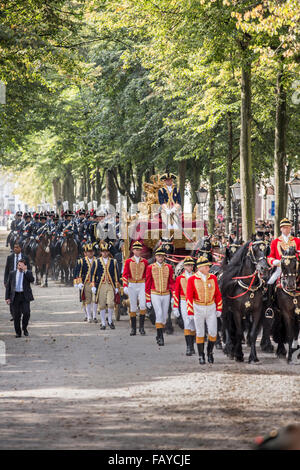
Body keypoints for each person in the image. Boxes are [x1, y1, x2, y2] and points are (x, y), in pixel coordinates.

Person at [186, 256, 222, 365]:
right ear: (200, 268)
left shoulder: (213, 278)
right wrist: (190, 311)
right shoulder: (192, 279)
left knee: (213, 332)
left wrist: (219, 308)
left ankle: (210, 352)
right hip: (198, 307)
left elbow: (217, 294)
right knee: (200, 332)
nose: (208, 268)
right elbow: (189, 296)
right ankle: (201, 356)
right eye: (207, 267)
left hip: (211, 307)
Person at [266, 217, 300, 317]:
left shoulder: (297, 241)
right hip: (280, 268)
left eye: (288, 227)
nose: (286, 229)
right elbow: (269, 257)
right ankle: (270, 307)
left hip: (294, 268)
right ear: (281, 229)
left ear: (290, 228)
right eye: (284, 227)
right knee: (270, 281)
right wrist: (274, 261)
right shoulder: (275, 241)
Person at [145, 247, 175, 346]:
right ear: (155, 257)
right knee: (159, 313)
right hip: (155, 293)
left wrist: (173, 295)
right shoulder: (150, 267)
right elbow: (148, 283)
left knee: (164, 316)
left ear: (164, 257)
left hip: (166, 294)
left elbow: (171, 282)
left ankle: (159, 334)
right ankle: (161, 337)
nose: (160, 258)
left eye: (162, 256)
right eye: (158, 256)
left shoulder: (169, 267)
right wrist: (148, 298)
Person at [90, 242, 120, 330]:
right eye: (103, 251)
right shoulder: (96, 262)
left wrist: (117, 286)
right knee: (102, 304)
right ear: (101, 252)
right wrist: (93, 285)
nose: (105, 253)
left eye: (106, 251)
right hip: (101, 285)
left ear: (108, 252)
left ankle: (110, 320)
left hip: (110, 285)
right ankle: (103, 322)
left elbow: (116, 274)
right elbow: (93, 274)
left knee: (111, 303)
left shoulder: (113, 261)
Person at [122, 240, 148, 336]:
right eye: (136, 249)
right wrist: (125, 286)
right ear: (133, 250)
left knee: (142, 305)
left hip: (142, 284)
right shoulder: (128, 261)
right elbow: (125, 275)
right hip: (132, 284)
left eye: (139, 249)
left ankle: (141, 328)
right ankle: (133, 329)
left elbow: (147, 275)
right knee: (133, 306)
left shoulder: (144, 261)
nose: (137, 251)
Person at [5, 258, 34, 337]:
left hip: (24, 296)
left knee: (27, 313)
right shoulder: (12, 273)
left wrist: (25, 271)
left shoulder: (28, 273)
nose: (20, 267)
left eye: (22, 265)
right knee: (16, 316)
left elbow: (32, 280)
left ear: (25, 266)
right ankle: (18, 332)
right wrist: (7, 298)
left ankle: (24, 328)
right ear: (17, 265)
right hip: (15, 296)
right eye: (19, 265)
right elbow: (8, 287)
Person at [173, 256, 196, 356]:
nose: (189, 267)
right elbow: (176, 292)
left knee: (194, 324)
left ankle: (193, 344)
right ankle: (188, 347)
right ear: (184, 267)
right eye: (187, 265)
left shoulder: (196, 277)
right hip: (183, 301)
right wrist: (175, 306)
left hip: (195, 302)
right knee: (187, 322)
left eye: (191, 265)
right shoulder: (180, 278)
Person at [74, 243, 98, 323]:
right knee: (87, 300)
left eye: (91, 251)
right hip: (86, 283)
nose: (90, 253)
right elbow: (78, 272)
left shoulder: (97, 260)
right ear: (85, 253)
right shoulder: (81, 261)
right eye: (88, 251)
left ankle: (94, 316)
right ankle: (88, 316)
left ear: (93, 252)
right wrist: (78, 282)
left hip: (95, 283)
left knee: (95, 300)